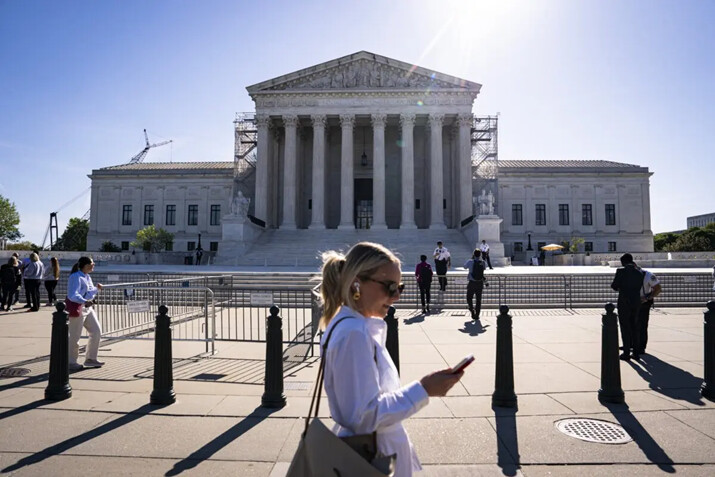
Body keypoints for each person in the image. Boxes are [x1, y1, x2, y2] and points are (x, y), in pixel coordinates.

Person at [319, 242, 463, 476]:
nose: (396, 296)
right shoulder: (353, 333)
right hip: (371, 459)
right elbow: (361, 417)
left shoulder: (354, 326)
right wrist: (424, 389)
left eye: (400, 287)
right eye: (389, 287)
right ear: (357, 283)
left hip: (374, 453)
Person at [66, 257, 104, 370]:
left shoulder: (87, 276)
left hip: (87, 308)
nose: (94, 265)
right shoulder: (75, 277)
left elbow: (89, 292)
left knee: (96, 331)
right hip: (78, 308)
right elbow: (73, 294)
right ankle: (71, 361)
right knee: (74, 336)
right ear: (86, 265)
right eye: (92, 264)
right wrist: (84, 301)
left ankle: (91, 359)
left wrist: (96, 289)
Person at [611, 253, 644, 360]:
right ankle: (636, 353)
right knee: (635, 327)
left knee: (625, 327)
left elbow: (614, 285)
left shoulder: (621, 272)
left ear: (623, 262)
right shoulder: (639, 273)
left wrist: (620, 288)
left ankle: (626, 352)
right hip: (636, 301)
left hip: (624, 301)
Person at [635, 263, 661, 356]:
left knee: (642, 325)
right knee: (630, 324)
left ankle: (641, 347)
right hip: (632, 302)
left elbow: (658, 288)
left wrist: (647, 298)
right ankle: (631, 345)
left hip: (644, 303)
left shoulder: (648, 275)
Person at [464, 249, 488, 321]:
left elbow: (464, 267)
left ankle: (472, 310)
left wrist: (472, 259)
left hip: (472, 282)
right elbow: (484, 268)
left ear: (473, 254)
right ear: (480, 254)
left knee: (469, 298)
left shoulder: (470, 261)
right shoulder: (483, 262)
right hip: (480, 283)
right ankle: (477, 314)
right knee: (478, 300)